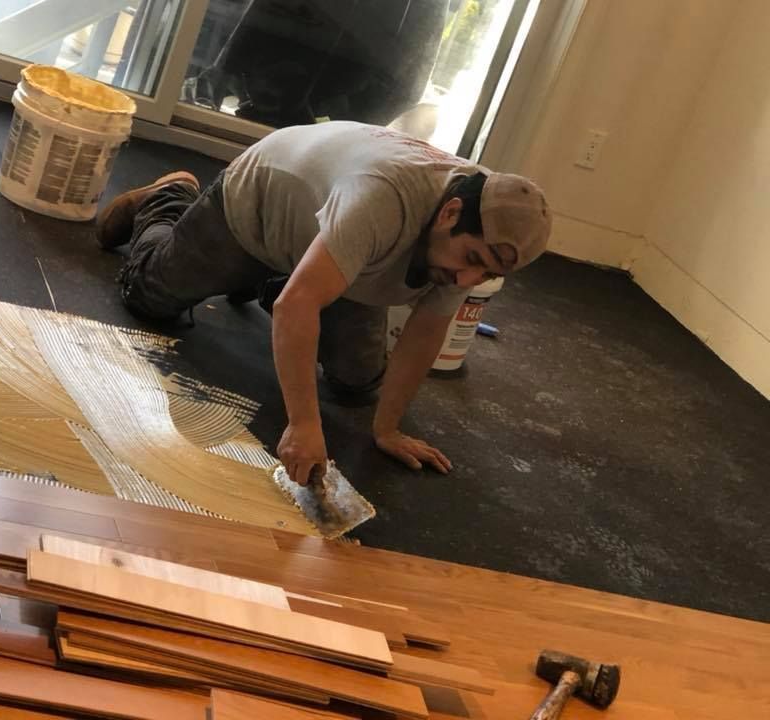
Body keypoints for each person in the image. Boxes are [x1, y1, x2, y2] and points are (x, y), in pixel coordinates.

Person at [98, 121, 551, 487]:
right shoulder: (383, 198)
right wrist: (301, 425)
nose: (468, 280)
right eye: (472, 260)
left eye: (488, 274)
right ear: (449, 213)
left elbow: (428, 327)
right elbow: (297, 308)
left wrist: (387, 430)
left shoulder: (480, 227)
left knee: (358, 382)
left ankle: (292, 277)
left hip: (332, 238)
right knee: (150, 299)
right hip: (258, 203)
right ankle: (168, 198)